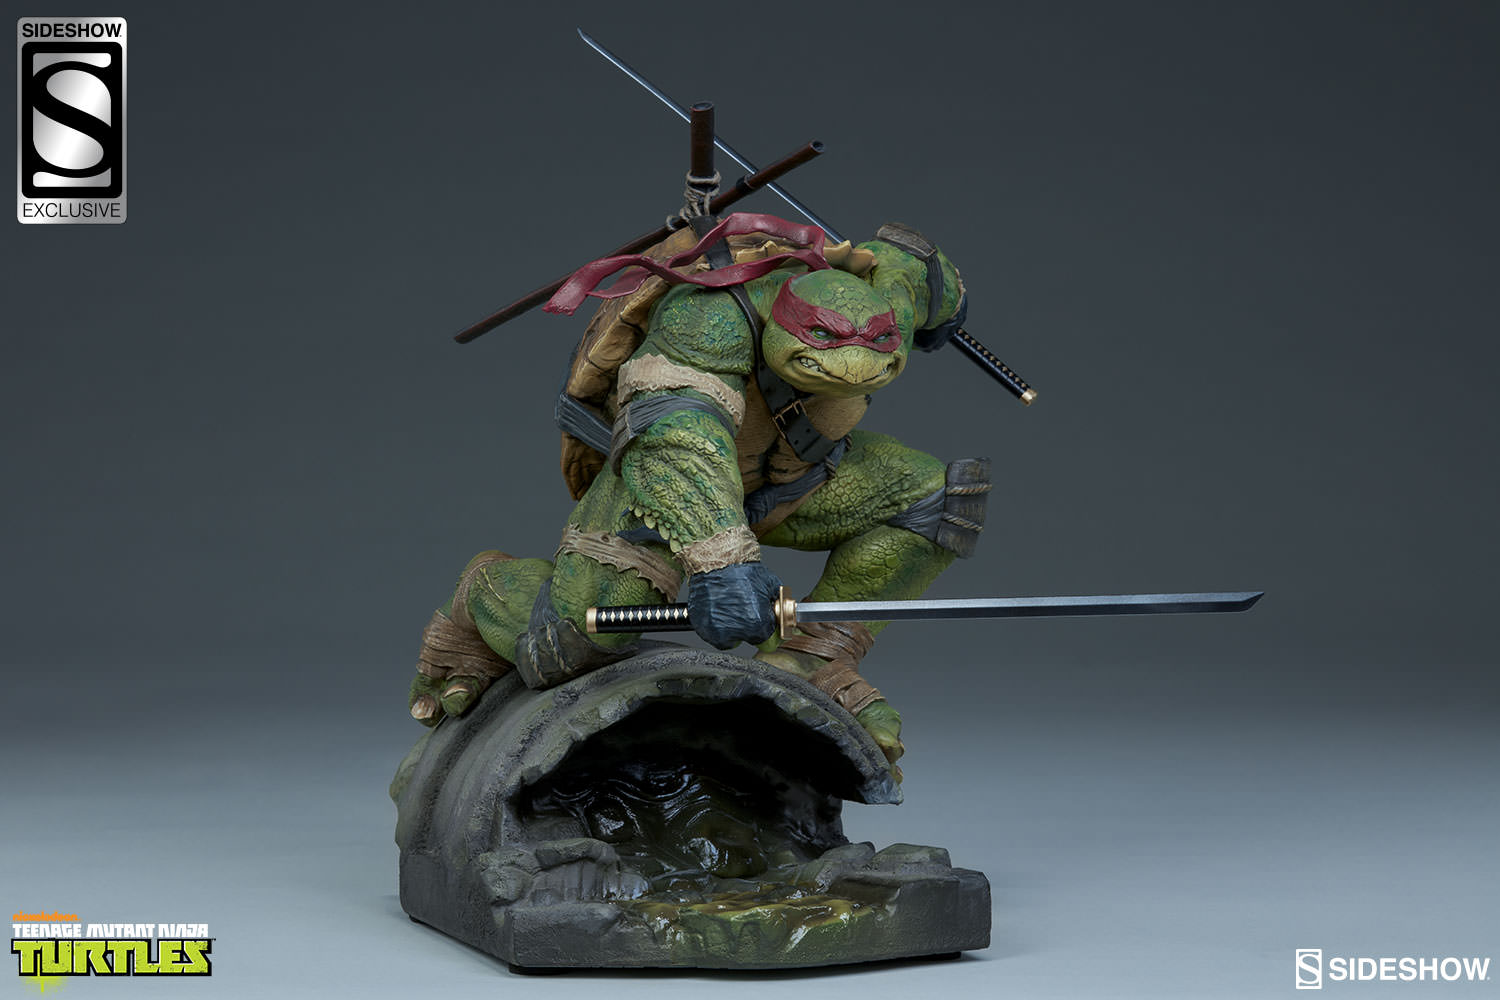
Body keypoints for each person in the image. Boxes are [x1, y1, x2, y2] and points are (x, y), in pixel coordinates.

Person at [408, 214, 992, 770]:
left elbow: (917, 262)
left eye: (880, 352)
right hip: (660, 488)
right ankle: (482, 592)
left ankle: (810, 654)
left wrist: (948, 304)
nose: (855, 371)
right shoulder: (708, 313)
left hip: (794, 479)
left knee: (940, 502)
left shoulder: (891, 296)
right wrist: (723, 564)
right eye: (822, 349)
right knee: (570, 643)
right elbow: (674, 434)